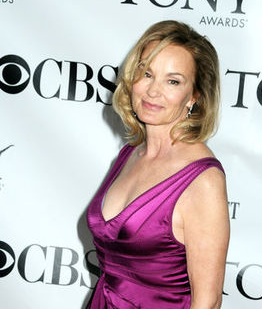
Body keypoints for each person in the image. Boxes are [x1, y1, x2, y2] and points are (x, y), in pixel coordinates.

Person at [87, 20, 230, 309]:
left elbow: (208, 301)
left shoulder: (202, 180)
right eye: (146, 73)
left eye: (173, 81)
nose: (153, 91)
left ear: (195, 96)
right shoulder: (130, 155)